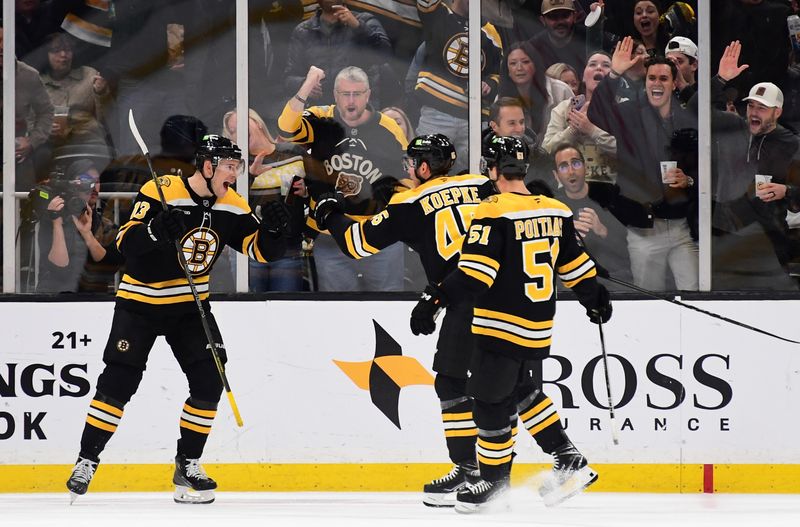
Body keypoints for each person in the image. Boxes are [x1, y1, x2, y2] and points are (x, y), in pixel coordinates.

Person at [313, 134, 592, 508]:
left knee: (456, 383)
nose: (408, 171)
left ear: (424, 167)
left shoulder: (407, 202)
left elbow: (356, 243)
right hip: (508, 297)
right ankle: (557, 457)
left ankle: (477, 470)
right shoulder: (482, 186)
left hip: (464, 295)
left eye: (412, 164)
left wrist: (329, 212)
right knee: (514, 385)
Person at [65, 135, 291, 503]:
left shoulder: (232, 204)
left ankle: (187, 465)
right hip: (139, 303)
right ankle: (86, 460)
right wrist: (155, 231)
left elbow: (261, 252)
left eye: (237, 166)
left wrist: (277, 231)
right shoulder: (162, 189)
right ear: (207, 165)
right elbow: (126, 244)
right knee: (118, 382)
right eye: (230, 166)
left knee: (209, 380)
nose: (235, 173)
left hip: (189, 307)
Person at [409, 135, 609, 512]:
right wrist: (593, 296)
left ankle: (494, 482)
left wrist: (434, 300)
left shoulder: (492, 211)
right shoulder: (554, 210)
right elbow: (575, 266)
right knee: (520, 389)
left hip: (499, 323)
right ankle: (567, 458)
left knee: (486, 400)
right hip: (537, 325)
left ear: (493, 169)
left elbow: (475, 276)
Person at [278, 65, 408, 291]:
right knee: (337, 312)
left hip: (378, 235)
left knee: (389, 305)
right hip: (331, 237)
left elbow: (406, 179)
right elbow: (286, 128)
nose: (351, 100)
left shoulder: (388, 127)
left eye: (357, 94)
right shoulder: (321, 118)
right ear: (335, 95)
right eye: (345, 94)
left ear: (368, 94)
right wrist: (309, 83)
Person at [587, 36, 699, 291]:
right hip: (644, 230)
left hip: (683, 228)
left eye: (663, 79)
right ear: (645, 81)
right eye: (652, 78)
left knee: (694, 294)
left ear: (673, 84)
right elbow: (597, 112)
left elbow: (707, 165)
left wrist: (689, 180)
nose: (656, 84)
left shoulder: (687, 119)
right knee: (649, 302)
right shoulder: (629, 114)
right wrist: (614, 73)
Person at [705, 41, 800, 289]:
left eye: (762, 108)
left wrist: (786, 191)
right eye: (751, 106)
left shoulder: (791, 143)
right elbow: (695, 110)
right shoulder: (733, 128)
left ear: (777, 112)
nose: (754, 112)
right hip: (726, 235)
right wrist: (719, 80)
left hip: (769, 240)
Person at [223, 108, 308, 292]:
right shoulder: (233, 165)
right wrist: (250, 175)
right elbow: (225, 201)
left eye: (242, 124)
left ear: (258, 123)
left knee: (286, 311)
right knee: (248, 313)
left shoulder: (293, 152)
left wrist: (306, 191)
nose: (239, 131)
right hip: (248, 249)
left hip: (288, 247)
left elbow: (318, 190)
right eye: (233, 130)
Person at [412, 0, 502, 174]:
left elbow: (497, 73)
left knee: (473, 178)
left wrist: (490, 84)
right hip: (436, 113)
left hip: (474, 119)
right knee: (427, 172)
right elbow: (425, 3)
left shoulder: (490, 32)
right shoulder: (439, 14)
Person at [550, 142, 648, 287]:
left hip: (613, 280)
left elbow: (626, 250)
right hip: (572, 283)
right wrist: (564, 236)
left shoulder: (608, 197)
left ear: (586, 167)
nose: (571, 171)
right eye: (563, 167)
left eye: (576, 164)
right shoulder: (553, 208)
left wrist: (602, 230)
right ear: (556, 176)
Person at [35, 159, 123, 293]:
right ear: (72, 185)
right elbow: (59, 269)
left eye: (97, 181)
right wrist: (57, 222)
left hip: (93, 298)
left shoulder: (104, 224)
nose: (93, 186)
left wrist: (87, 235)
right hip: (54, 297)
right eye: (86, 180)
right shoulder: (54, 218)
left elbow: (109, 267)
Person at [283, 0, 393, 106]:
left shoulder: (365, 20)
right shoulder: (303, 31)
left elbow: (385, 54)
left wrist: (358, 27)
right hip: (319, 112)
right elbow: (288, 78)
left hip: (358, 109)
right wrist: (304, 84)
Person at [543, 51, 618, 183]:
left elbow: (631, 153)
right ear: (583, 76)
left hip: (611, 188)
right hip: (569, 191)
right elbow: (547, 151)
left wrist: (591, 130)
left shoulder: (624, 107)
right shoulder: (563, 108)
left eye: (606, 65)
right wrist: (573, 129)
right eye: (592, 64)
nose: (599, 68)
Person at [497, 41, 573, 139]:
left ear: (535, 65)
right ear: (507, 70)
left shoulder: (561, 91)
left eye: (525, 62)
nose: (519, 68)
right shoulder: (501, 97)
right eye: (513, 63)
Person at [664, 36, 698, 105]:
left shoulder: (706, 93)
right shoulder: (662, 93)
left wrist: (681, 84)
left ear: (694, 65)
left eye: (679, 62)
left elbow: (703, 111)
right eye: (669, 62)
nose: (673, 66)